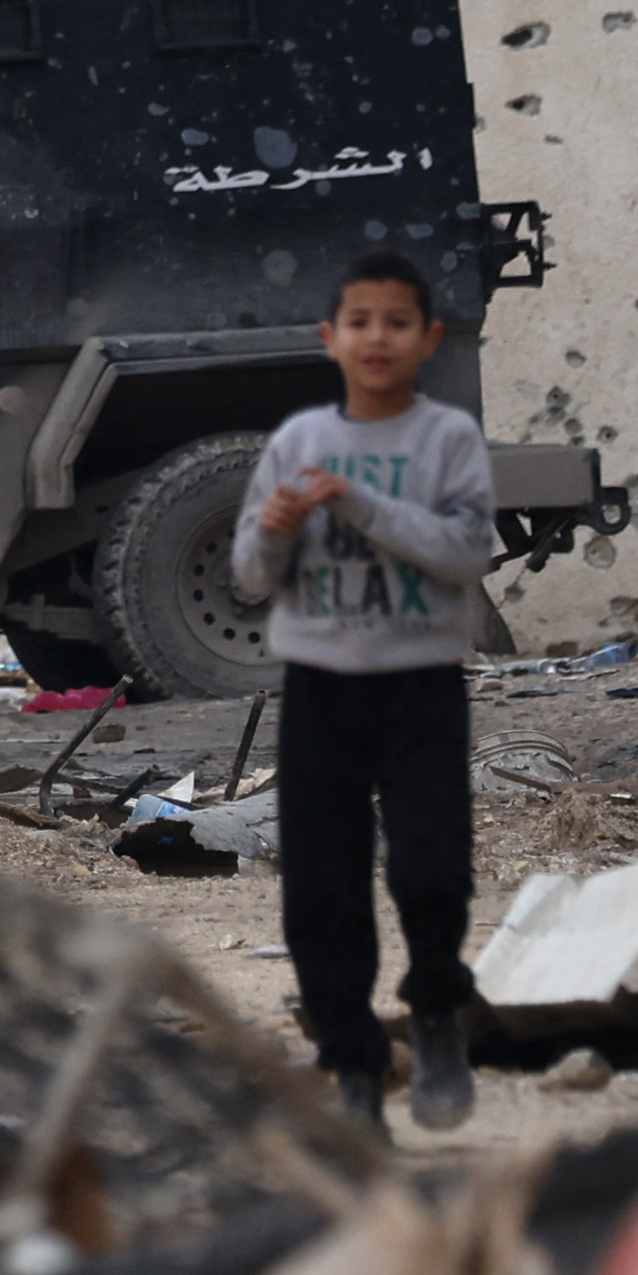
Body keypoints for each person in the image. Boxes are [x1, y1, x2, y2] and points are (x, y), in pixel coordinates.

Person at [229, 248, 495, 1134]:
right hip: (321, 689)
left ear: (428, 337)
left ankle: (435, 1013)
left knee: (431, 867)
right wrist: (273, 531)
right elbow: (251, 579)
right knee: (321, 887)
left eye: (396, 322)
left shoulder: (447, 439)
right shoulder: (298, 443)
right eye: (359, 322)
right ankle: (352, 1066)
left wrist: (362, 507)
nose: (377, 338)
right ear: (329, 338)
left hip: (420, 683)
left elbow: (464, 553)